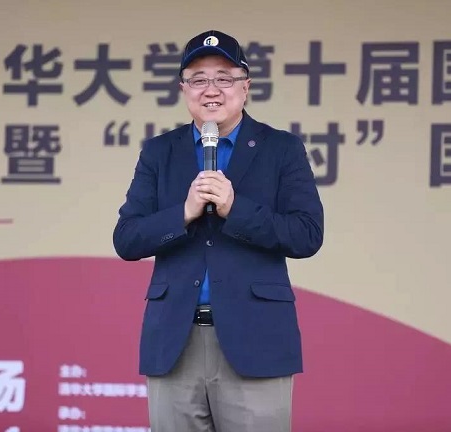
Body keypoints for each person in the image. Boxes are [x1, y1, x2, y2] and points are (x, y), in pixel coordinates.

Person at [113, 29, 324, 432]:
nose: (211, 90)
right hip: (175, 341)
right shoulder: (160, 152)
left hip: (255, 339)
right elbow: (127, 238)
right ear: (183, 89)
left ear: (245, 86)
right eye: (198, 79)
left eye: (224, 78)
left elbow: (306, 233)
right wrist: (184, 213)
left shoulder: (281, 149)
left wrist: (235, 209)